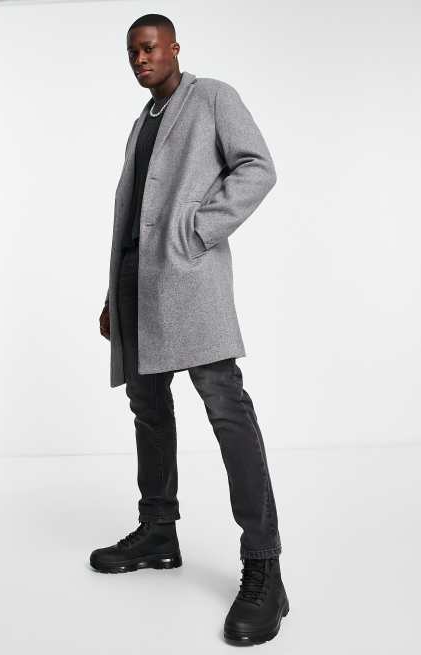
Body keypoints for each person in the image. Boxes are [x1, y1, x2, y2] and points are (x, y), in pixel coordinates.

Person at [93, 13, 289, 646]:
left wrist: (198, 231)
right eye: (132, 52)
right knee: (148, 409)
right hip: (137, 287)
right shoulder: (142, 121)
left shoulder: (212, 99)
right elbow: (133, 214)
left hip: (189, 285)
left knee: (226, 408)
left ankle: (264, 567)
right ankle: (158, 532)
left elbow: (258, 167)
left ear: (174, 47)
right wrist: (113, 294)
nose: (140, 59)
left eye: (149, 48)